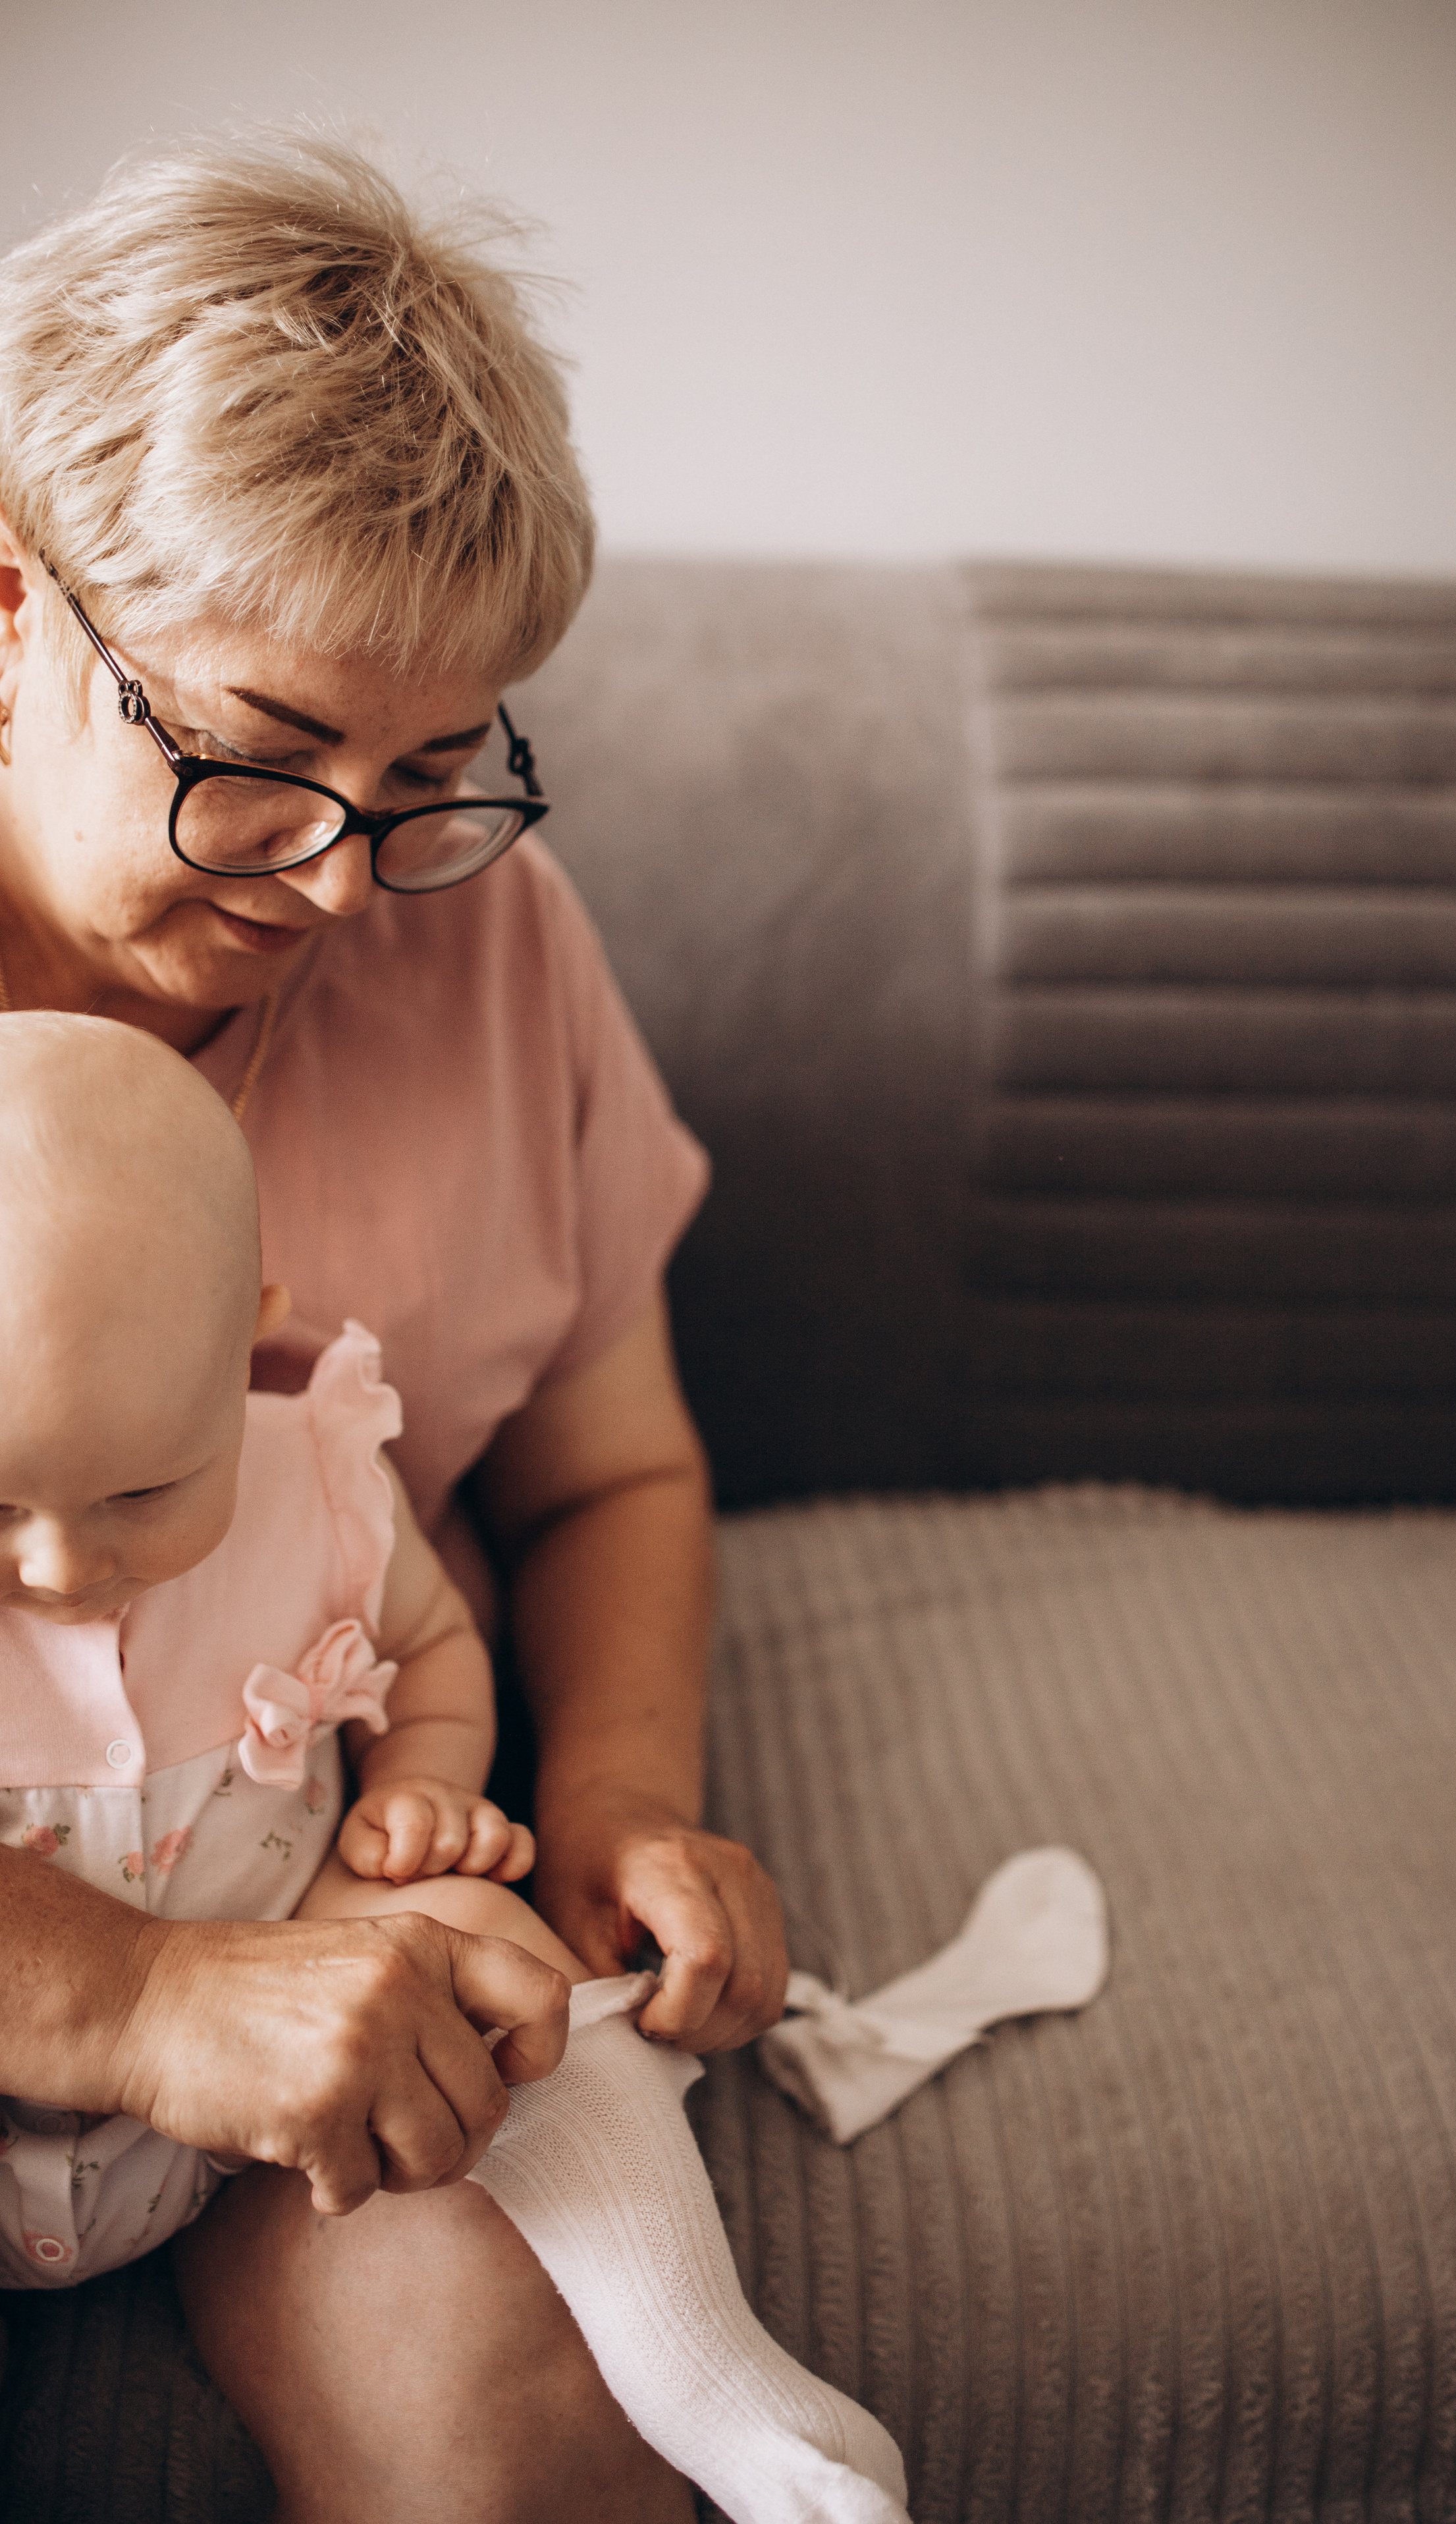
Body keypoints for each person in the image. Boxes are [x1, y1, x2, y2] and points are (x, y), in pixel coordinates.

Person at [0, 132, 791, 2518]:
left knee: (515, 2413)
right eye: (255, 753)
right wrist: (135, 2001)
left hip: (327, 1888)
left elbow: (610, 1462)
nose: (346, 880)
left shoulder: (491, 943)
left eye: (431, 771)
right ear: (14, 620)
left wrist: (627, 1793)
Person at [0, 1013, 911, 2523]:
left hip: (291, 1986)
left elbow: (427, 1638)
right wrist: (140, 1998)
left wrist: (425, 1786)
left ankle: (722, 2386)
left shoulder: (316, 1477)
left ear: (250, 1350)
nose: (63, 1563)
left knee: (490, 1960)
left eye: (145, 1488)